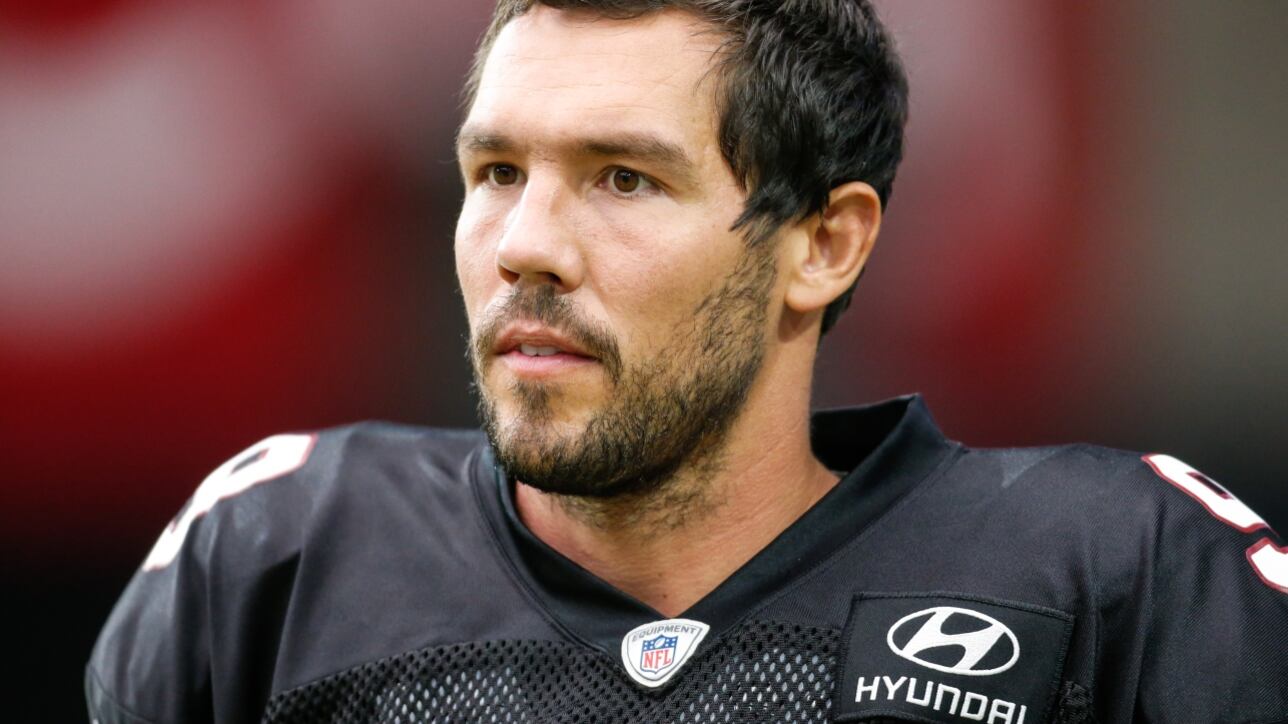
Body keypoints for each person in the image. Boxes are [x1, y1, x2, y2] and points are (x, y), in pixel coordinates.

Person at [87, 1, 1288, 722]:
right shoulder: (277, 555)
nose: (525, 246)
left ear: (823, 243)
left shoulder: (1118, 571)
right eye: (496, 172)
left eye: (623, 178)